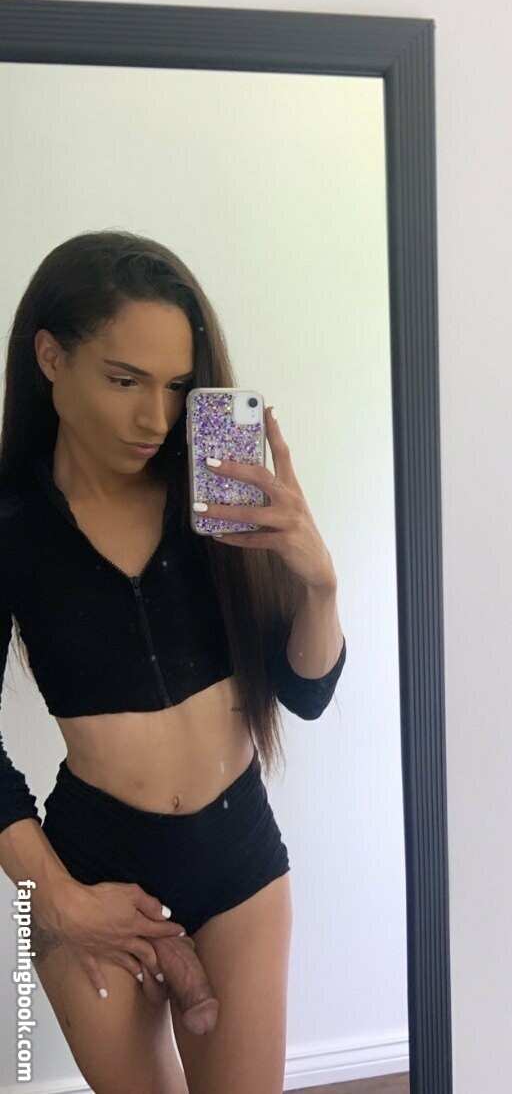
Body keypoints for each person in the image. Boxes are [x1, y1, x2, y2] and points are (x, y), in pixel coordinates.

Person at [0, 231, 347, 1094]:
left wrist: (318, 584)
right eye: (125, 380)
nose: (157, 420)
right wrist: (57, 899)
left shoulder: (214, 499)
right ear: (51, 357)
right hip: (89, 867)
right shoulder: (12, 528)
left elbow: (306, 692)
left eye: (177, 386)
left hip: (238, 860)